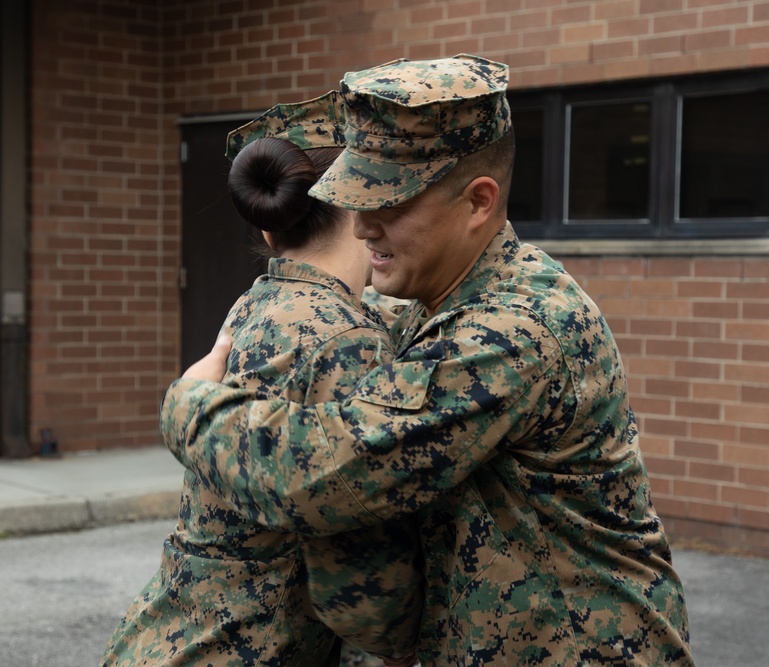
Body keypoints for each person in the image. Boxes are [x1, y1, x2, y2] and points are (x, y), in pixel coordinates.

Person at [162, 54, 695, 666]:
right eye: (352, 199)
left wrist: (190, 406)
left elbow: (326, 475)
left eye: (388, 203)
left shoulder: (515, 330)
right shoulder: (433, 297)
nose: (361, 228)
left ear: (478, 202)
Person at [103, 92, 421, 667]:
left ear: (272, 229)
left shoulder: (254, 305)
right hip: (253, 647)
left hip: (167, 635)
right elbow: (357, 576)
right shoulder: (346, 338)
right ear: (358, 206)